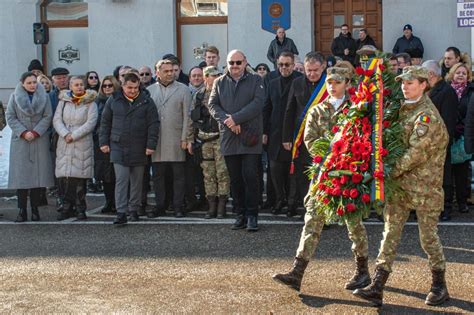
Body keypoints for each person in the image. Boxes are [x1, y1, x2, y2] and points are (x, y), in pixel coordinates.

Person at [353, 66, 449, 307]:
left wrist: (384, 172)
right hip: (401, 187)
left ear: (424, 84)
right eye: (403, 83)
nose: (404, 86)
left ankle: (439, 284)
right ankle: (377, 285)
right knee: (390, 234)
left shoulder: (426, 116)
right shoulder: (404, 110)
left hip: (425, 189)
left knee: (428, 238)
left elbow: (414, 153)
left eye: (410, 82)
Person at [273, 67, 371, 292]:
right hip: (324, 173)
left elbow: (363, 137)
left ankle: (362, 270)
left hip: (349, 174)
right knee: (312, 220)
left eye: (337, 82)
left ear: (347, 83)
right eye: (329, 82)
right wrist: (330, 153)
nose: (332, 86)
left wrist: (345, 156)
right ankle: (297, 272)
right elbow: (310, 140)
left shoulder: (357, 110)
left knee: (354, 224)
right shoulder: (317, 111)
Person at [208, 49, 265, 231]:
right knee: (235, 179)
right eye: (231, 63)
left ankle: (252, 216)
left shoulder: (256, 80)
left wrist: (236, 118)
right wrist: (228, 121)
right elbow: (212, 105)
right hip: (229, 137)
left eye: (238, 62)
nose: (235, 66)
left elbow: (258, 103)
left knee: (250, 177)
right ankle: (239, 215)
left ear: (245, 62)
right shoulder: (219, 82)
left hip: (249, 137)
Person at [100, 72, 159, 224]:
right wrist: (103, 142)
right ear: (123, 85)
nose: (132, 90)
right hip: (118, 146)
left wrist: (151, 144)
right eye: (129, 87)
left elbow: (153, 124)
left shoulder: (146, 101)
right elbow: (105, 122)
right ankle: (121, 212)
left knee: (137, 181)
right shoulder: (113, 100)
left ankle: (134, 209)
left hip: (139, 146)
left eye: (135, 87)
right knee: (122, 179)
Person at [282, 52, 326, 217]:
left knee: (322, 175)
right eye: (308, 70)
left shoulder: (329, 83)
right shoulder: (297, 83)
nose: (312, 74)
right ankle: (308, 208)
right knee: (303, 175)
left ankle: (323, 212)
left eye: (315, 70)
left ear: (323, 67)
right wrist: (286, 137)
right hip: (302, 138)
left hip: (324, 138)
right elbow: (289, 110)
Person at [6, 72, 54, 222]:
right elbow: (10, 116)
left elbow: (48, 116)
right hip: (21, 140)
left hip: (38, 139)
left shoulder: (44, 97)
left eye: (34, 82)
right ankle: (21, 210)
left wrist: (36, 131)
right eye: (29, 83)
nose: (33, 85)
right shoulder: (14, 97)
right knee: (21, 177)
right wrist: (23, 132)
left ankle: (35, 209)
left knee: (36, 177)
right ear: (22, 83)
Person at [148, 59, 192, 218]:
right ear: (157, 72)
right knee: (158, 176)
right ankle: (160, 205)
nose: (170, 74)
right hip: (157, 140)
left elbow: (188, 116)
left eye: (172, 71)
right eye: (166, 71)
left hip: (176, 139)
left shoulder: (184, 89)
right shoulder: (149, 90)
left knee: (178, 176)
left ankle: (178, 205)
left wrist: (185, 138)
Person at [263, 51, 302, 216]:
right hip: (274, 134)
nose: (283, 68)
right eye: (280, 65)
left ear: (293, 65)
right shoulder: (272, 83)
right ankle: (280, 200)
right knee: (275, 171)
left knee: (292, 173)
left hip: (294, 134)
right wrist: (264, 131)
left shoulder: (300, 81)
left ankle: (292, 204)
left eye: (287, 64)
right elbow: (266, 108)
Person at [188, 66, 230, 218]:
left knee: (222, 173)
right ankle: (211, 205)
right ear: (206, 77)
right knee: (208, 174)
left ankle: (222, 206)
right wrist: (189, 140)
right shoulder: (198, 96)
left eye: (218, 75)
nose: (216, 78)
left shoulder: (224, 94)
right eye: (213, 75)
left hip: (220, 139)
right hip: (204, 140)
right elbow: (191, 120)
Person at [53, 76, 98, 220]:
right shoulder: (64, 102)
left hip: (81, 142)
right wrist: (65, 133)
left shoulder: (90, 103)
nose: (79, 87)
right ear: (70, 86)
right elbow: (57, 119)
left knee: (80, 178)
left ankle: (80, 207)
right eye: (76, 85)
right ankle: (67, 207)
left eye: (81, 85)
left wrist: (74, 135)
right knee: (66, 177)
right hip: (65, 141)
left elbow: (91, 123)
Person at [423, 60, 458, 221]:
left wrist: (442, 141)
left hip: (440, 142)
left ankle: (445, 208)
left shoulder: (447, 91)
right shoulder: (429, 90)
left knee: (444, 176)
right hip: (427, 143)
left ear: (431, 74)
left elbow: (449, 121)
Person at [446, 62, 474, 214]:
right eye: (458, 72)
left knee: (462, 172)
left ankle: (463, 202)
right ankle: (448, 202)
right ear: (452, 74)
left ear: (468, 76)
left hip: (463, 135)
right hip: (449, 136)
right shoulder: (447, 89)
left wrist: (461, 129)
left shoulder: (471, 91)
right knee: (448, 172)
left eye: (464, 73)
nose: (461, 75)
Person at [94, 75, 121, 214]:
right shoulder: (97, 102)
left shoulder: (119, 100)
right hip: (101, 141)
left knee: (116, 175)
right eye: (104, 86)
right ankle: (108, 201)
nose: (107, 88)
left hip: (117, 141)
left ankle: (117, 202)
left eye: (110, 85)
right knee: (105, 176)